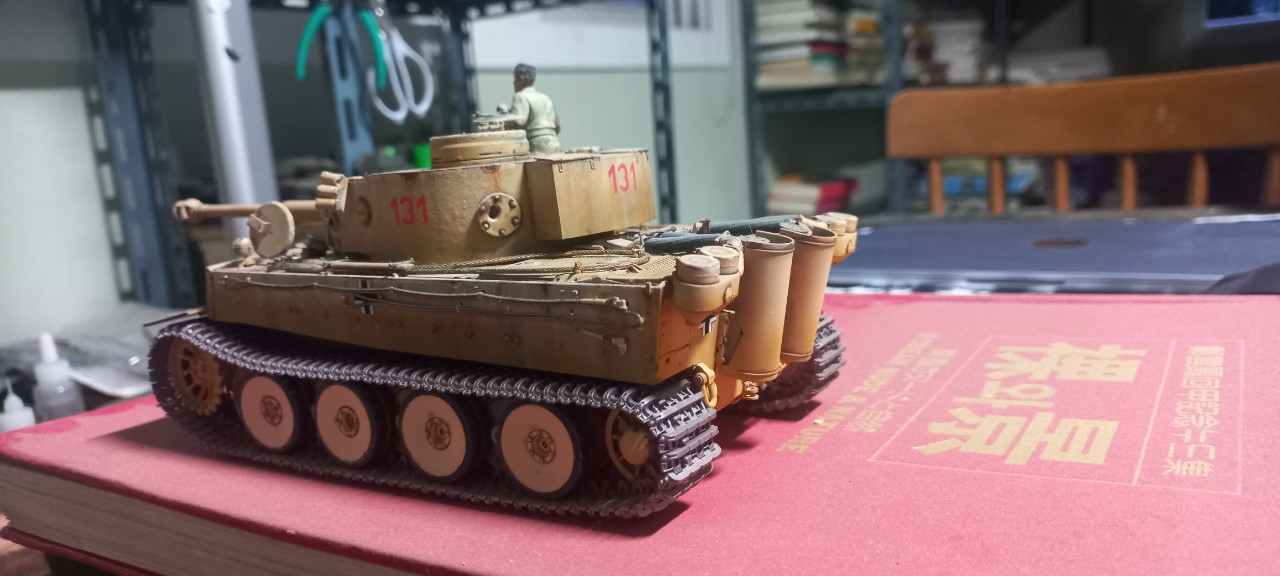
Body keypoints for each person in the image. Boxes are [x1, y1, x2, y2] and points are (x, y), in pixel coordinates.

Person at [505, 63, 561, 154]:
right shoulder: (546, 98)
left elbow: (518, 121)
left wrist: (506, 116)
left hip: (536, 145)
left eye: (515, 79)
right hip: (554, 143)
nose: (514, 82)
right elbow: (557, 127)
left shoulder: (520, 96)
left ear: (521, 78)